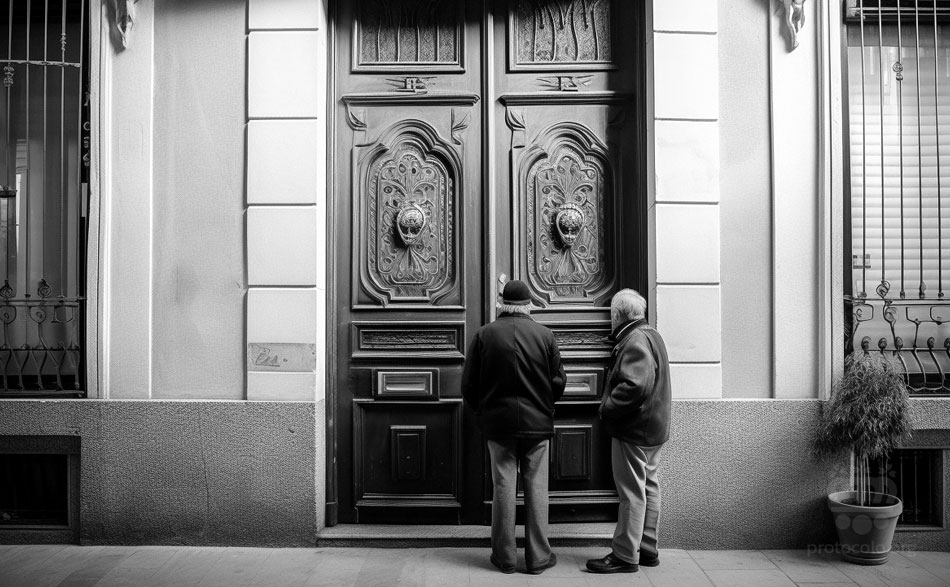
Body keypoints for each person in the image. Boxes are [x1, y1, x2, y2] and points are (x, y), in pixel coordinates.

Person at [462, 279, 566, 575]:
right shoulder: (545, 335)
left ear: (503, 304)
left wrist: (484, 410)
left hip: (498, 426)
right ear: (528, 304)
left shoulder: (484, 335)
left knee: (503, 487)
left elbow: (469, 385)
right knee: (537, 489)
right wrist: (545, 405)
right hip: (537, 425)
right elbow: (559, 381)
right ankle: (538, 558)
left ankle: (505, 558)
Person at [586, 289, 672, 574]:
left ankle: (624, 554)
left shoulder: (634, 339)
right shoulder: (651, 333)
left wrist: (608, 407)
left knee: (632, 492)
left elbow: (636, 385)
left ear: (616, 315)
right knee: (649, 486)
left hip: (635, 428)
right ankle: (647, 547)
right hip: (653, 428)